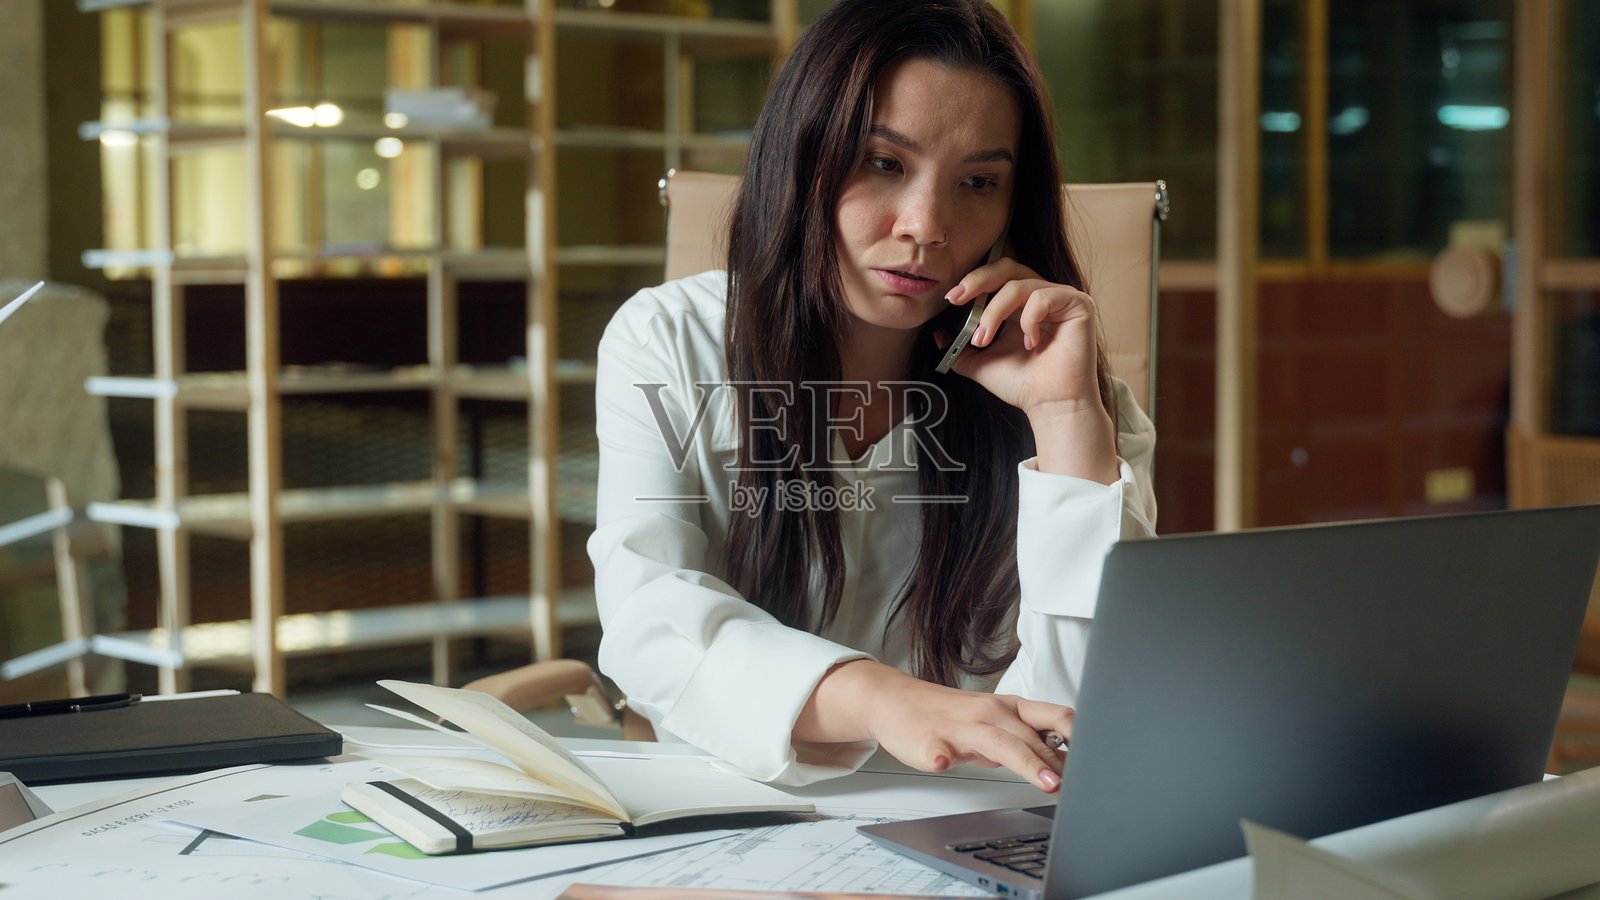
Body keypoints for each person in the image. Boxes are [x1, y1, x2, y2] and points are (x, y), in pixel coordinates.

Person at [586, 0, 1156, 791]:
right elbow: (650, 617)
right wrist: (881, 699)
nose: (927, 224)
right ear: (799, 156)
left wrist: (1063, 424)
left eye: (978, 182)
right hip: (733, 816)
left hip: (978, 825)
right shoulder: (670, 341)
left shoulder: (1074, 400)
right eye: (884, 163)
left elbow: (1082, 712)